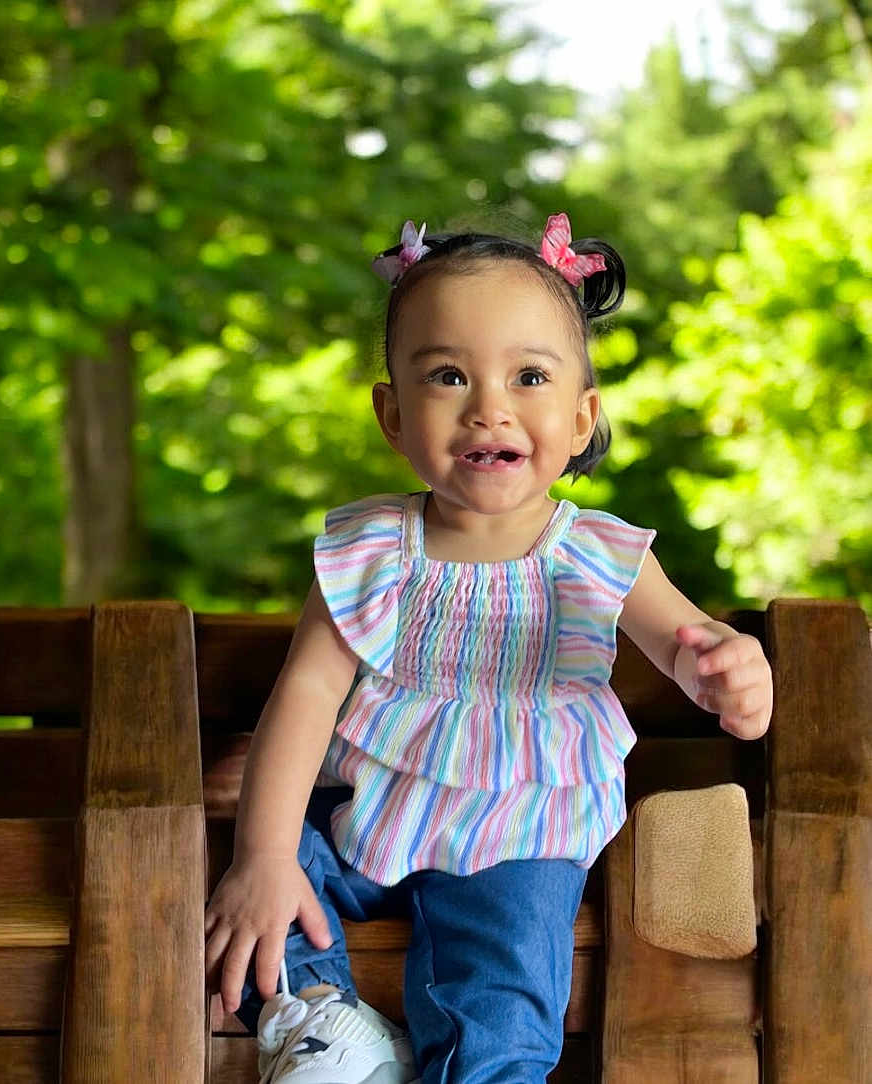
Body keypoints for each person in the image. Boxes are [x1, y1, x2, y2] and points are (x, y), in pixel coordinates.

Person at [204, 213, 773, 1084]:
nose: (488, 406)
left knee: (503, 989)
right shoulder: (368, 548)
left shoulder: (596, 551)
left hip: (522, 834)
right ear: (393, 413)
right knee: (247, 866)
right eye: (447, 375)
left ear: (581, 418)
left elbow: (687, 647)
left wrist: (729, 673)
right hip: (372, 811)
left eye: (529, 375)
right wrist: (267, 858)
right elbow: (308, 695)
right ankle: (323, 1022)